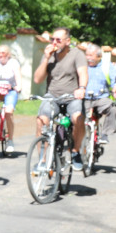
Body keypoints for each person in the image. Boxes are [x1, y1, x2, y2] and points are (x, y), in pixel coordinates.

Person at [33, 27, 87, 171]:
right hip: (52, 96)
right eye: (52, 39)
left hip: (71, 96)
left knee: (78, 118)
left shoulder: (77, 54)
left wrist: (81, 88)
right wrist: (45, 58)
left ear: (67, 41)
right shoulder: (49, 55)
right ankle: (42, 160)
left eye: (58, 40)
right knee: (41, 120)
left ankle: (75, 151)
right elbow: (37, 79)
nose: (54, 42)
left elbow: (83, 73)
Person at [0, 44, 23, 152]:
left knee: (8, 112)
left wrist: (18, 86)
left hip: (9, 90)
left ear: (8, 54)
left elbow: (18, 76)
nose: (0, 55)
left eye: (3, 53)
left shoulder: (13, 63)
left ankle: (10, 140)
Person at [84, 44, 116, 140]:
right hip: (84, 98)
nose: (88, 58)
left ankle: (105, 134)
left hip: (101, 98)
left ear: (99, 56)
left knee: (113, 108)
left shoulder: (106, 66)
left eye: (91, 55)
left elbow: (115, 79)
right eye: (86, 55)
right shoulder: (82, 65)